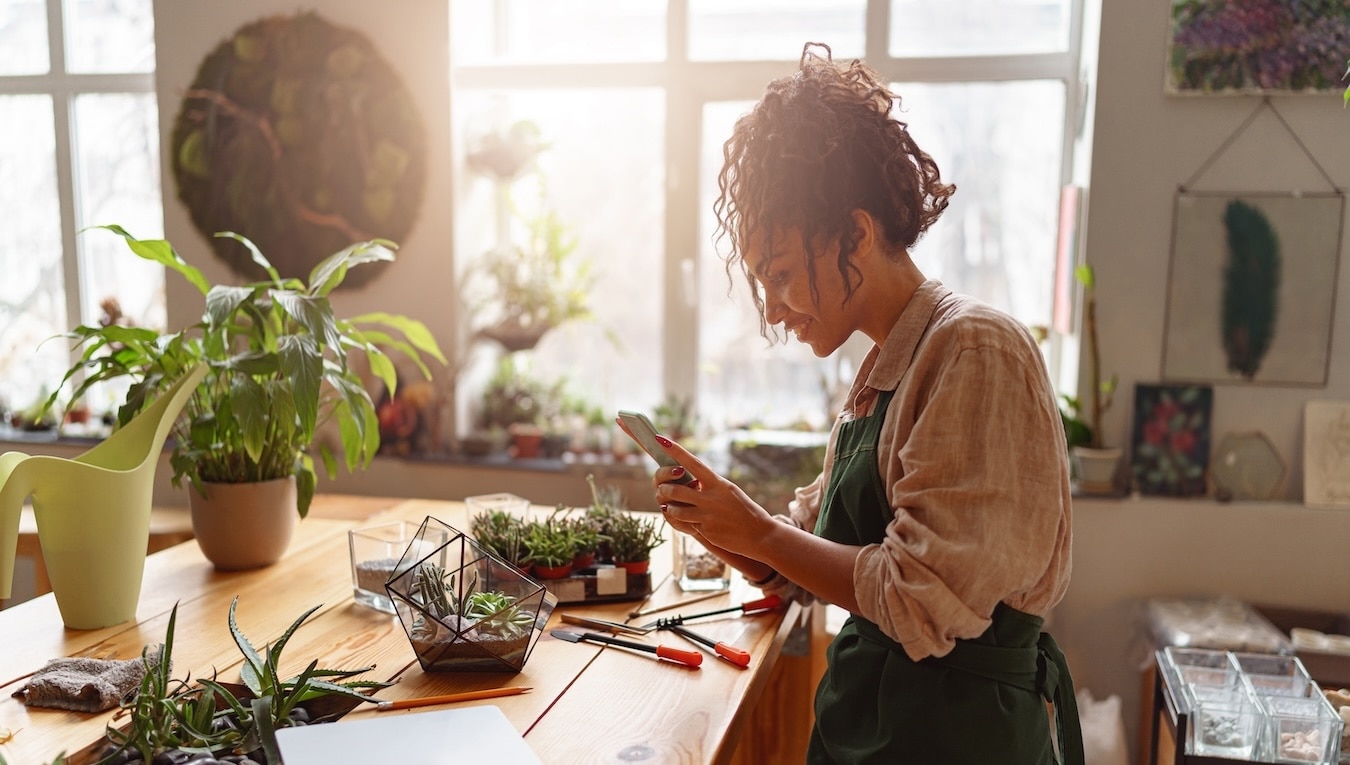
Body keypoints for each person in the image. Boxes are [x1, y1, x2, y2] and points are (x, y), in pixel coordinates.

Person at [626, 43, 1085, 764]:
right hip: (875, 727)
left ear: (857, 233)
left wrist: (762, 532)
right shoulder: (885, 366)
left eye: (779, 274)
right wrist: (731, 528)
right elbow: (812, 553)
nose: (772, 311)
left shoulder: (973, 349)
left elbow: (912, 594)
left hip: (953, 739)